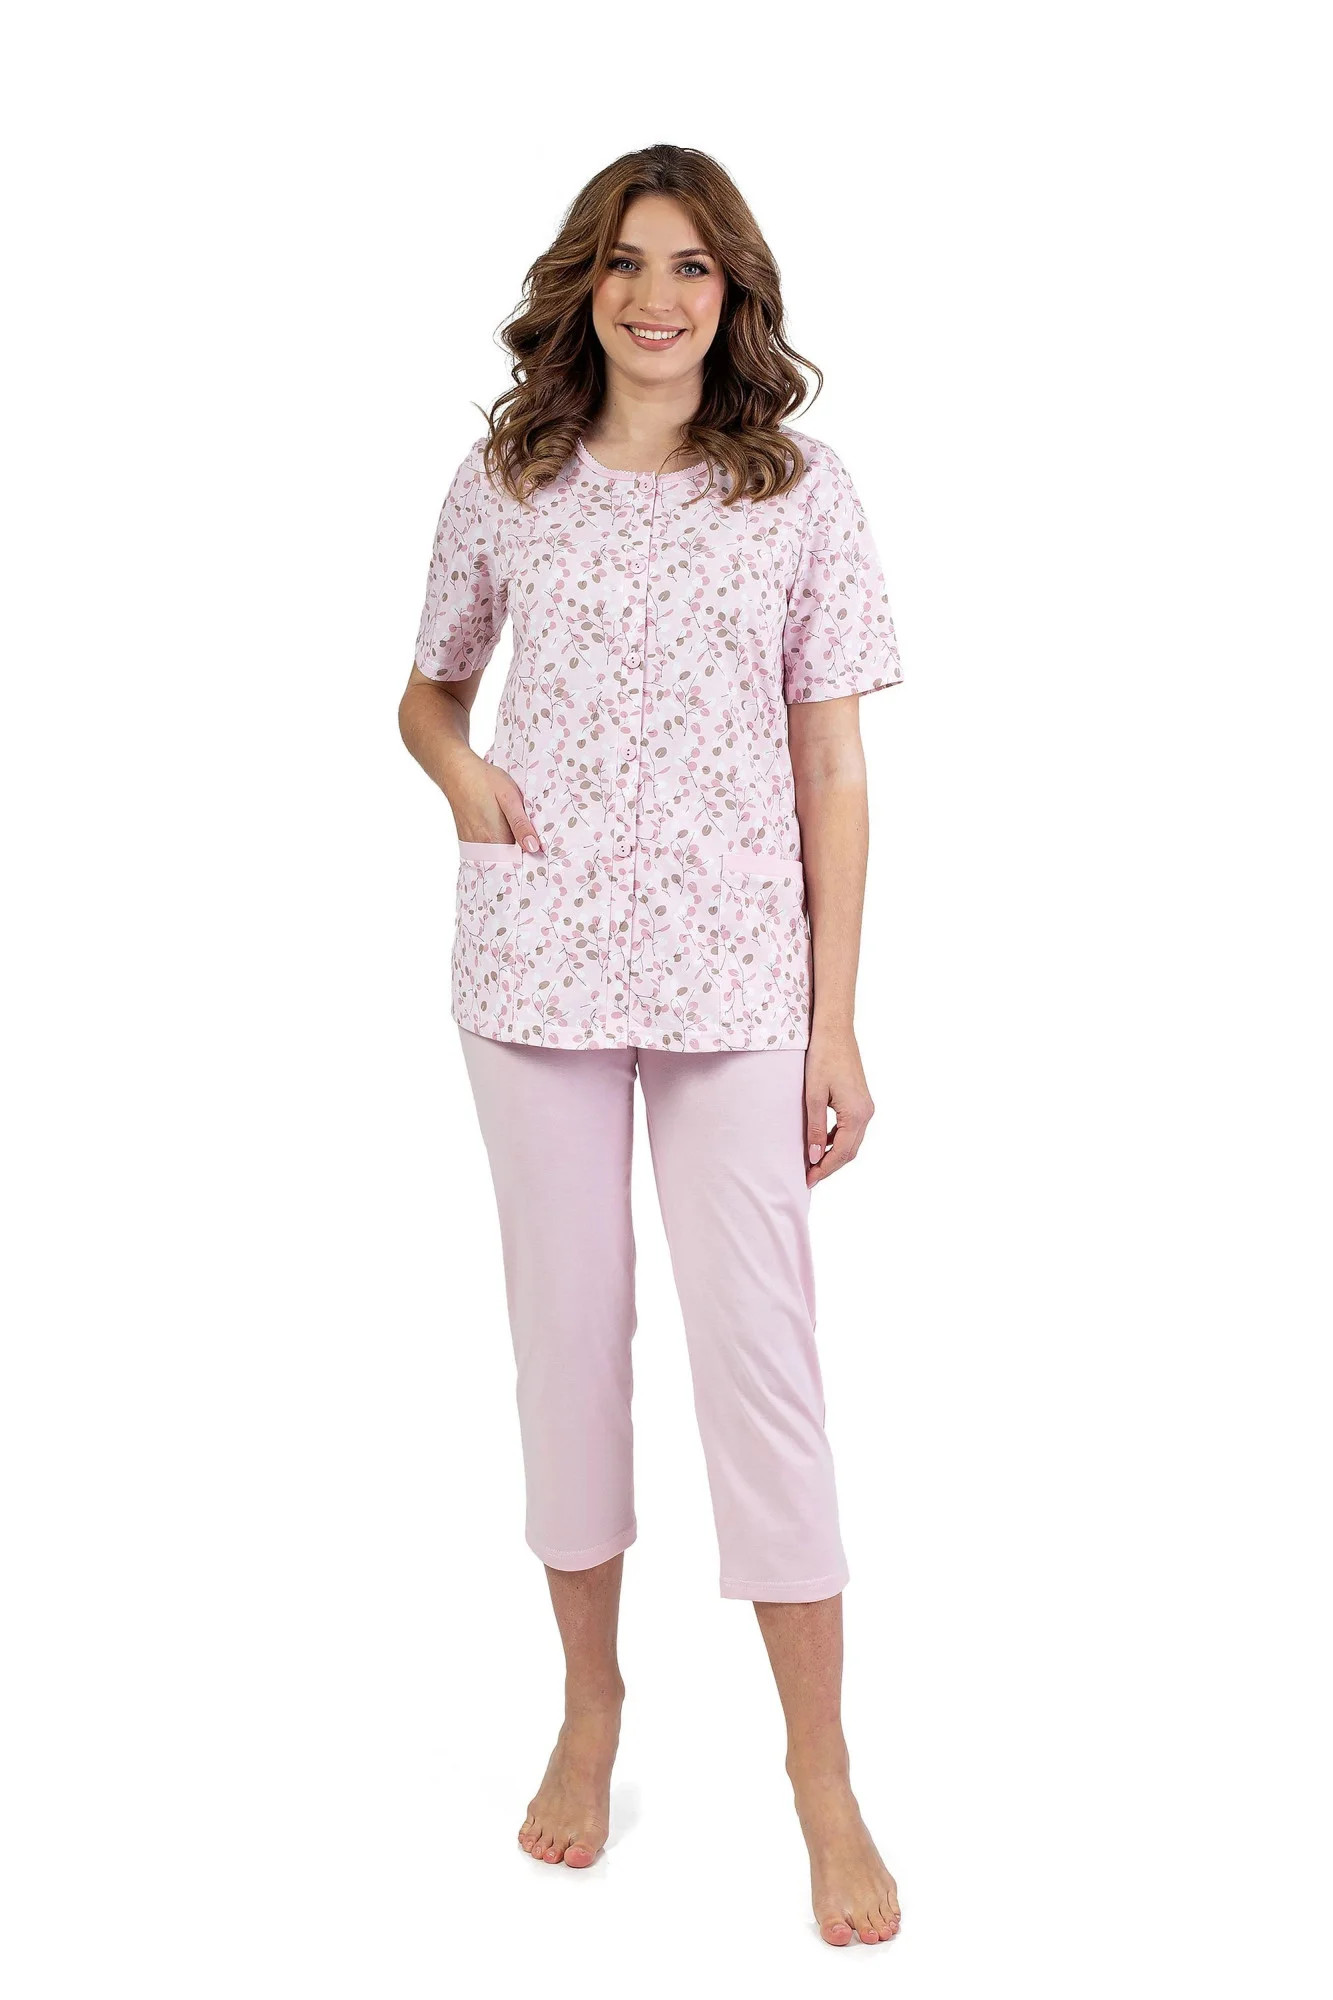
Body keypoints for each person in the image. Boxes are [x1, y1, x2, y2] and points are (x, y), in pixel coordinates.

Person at [398, 144, 904, 1948]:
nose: (655, 295)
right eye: (625, 261)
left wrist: (835, 1020)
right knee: (567, 1349)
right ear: (584, 285)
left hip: (738, 985)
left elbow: (832, 766)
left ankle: (819, 1769)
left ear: (732, 290)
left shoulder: (801, 491)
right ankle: (588, 1707)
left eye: (690, 264)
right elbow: (426, 689)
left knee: (762, 1367)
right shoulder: (507, 479)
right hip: (534, 967)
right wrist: (463, 779)